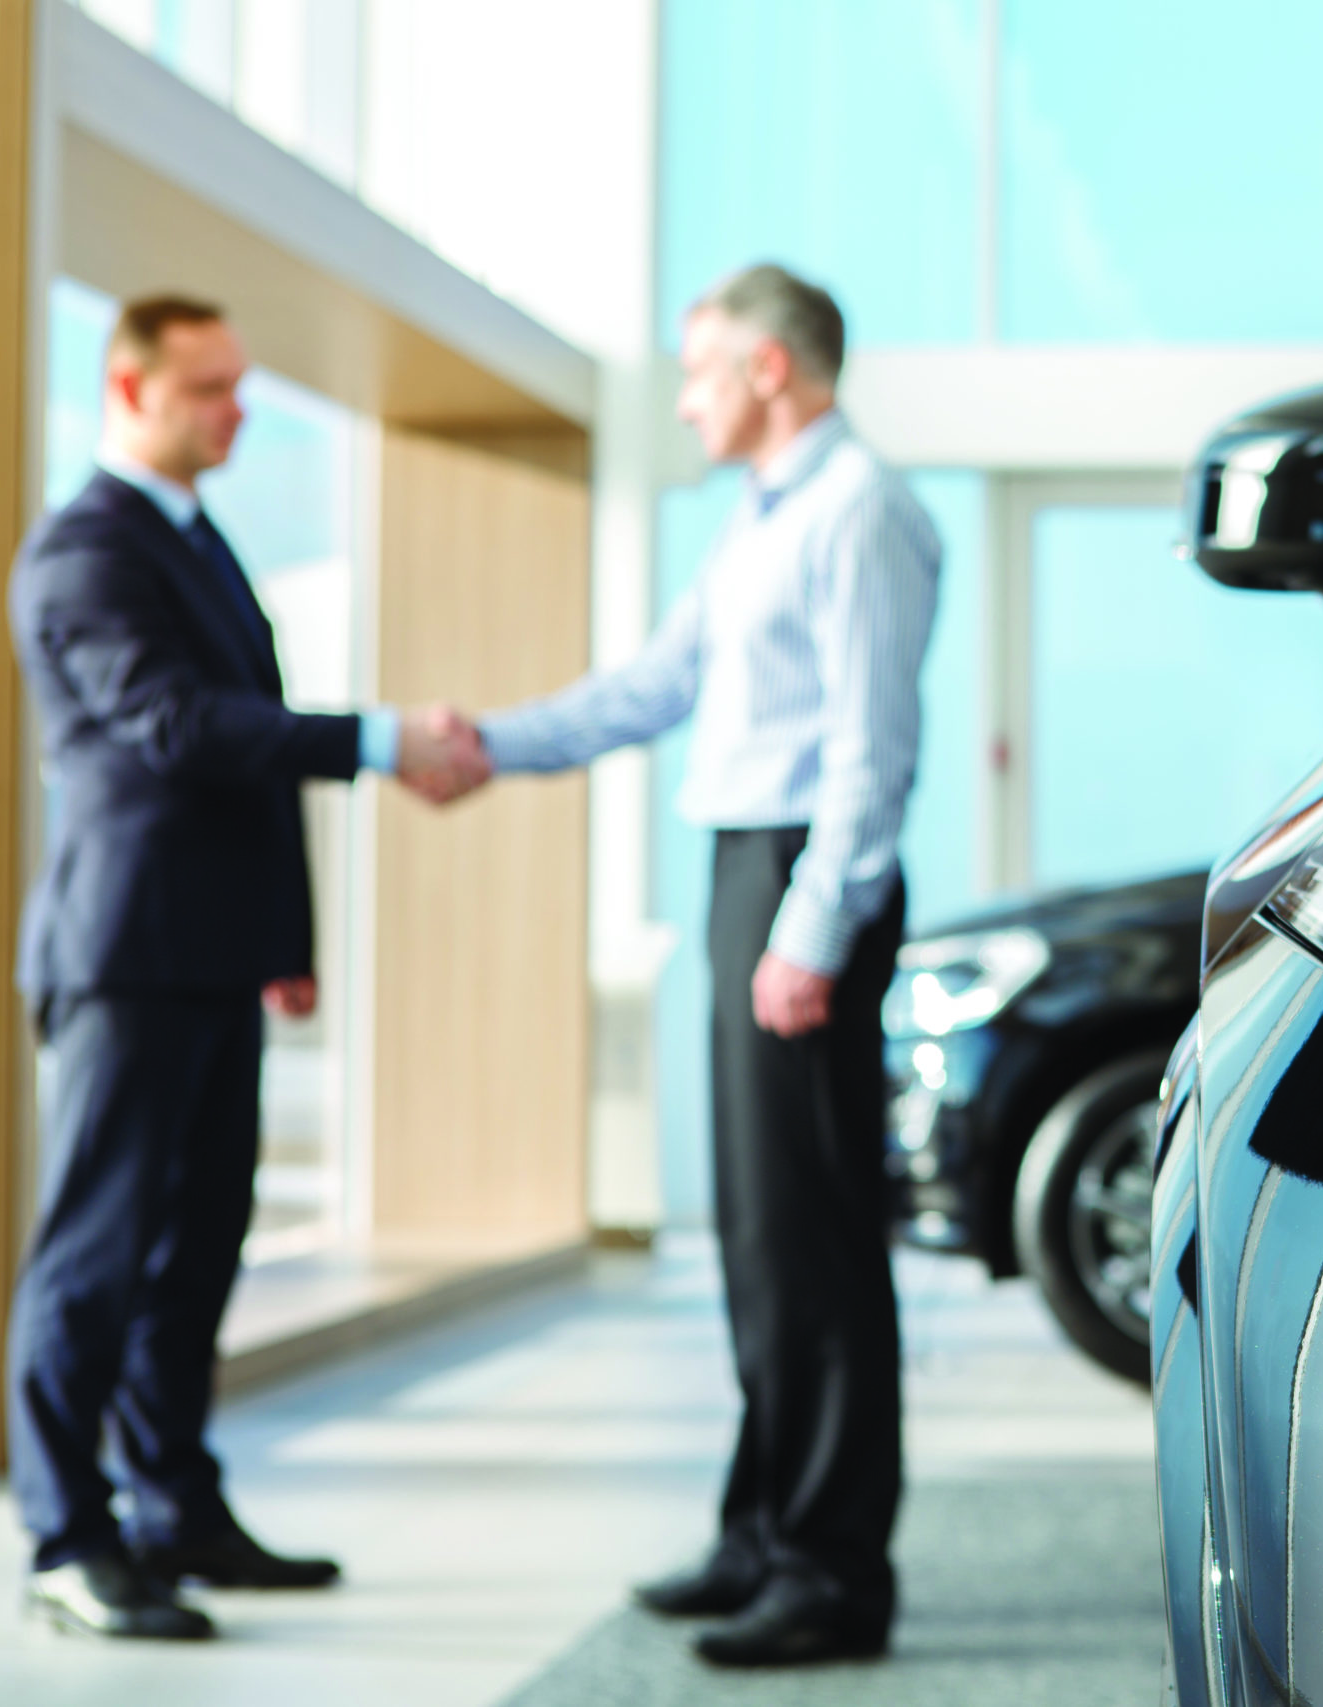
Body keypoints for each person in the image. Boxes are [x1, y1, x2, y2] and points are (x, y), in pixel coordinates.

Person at [443, 263, 939, 1668]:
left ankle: (834, 1574)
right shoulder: (757, 524)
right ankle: (763, 1529)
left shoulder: (860, 514)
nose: (685, 398)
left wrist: (809, 932)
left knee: (820, 1236)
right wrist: (490, 742)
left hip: (800, 881)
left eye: (701, 370)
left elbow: (871, 749)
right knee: (760, 1234)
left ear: (772, 369)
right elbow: (653, 688)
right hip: (747, 868)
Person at [6, 295, 486, 1642]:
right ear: (130, 385)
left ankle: (174, 1507)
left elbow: (249, 752)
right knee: (94, 1255)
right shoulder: (83, 550)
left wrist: (286, 941)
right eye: (211, 388)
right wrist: (388, 738)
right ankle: (66, 1533)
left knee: (201, 1245)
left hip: (216, 953)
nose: (237, 411)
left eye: (240, 386)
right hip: (130, 954)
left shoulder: (197, 541)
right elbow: (183, 730)